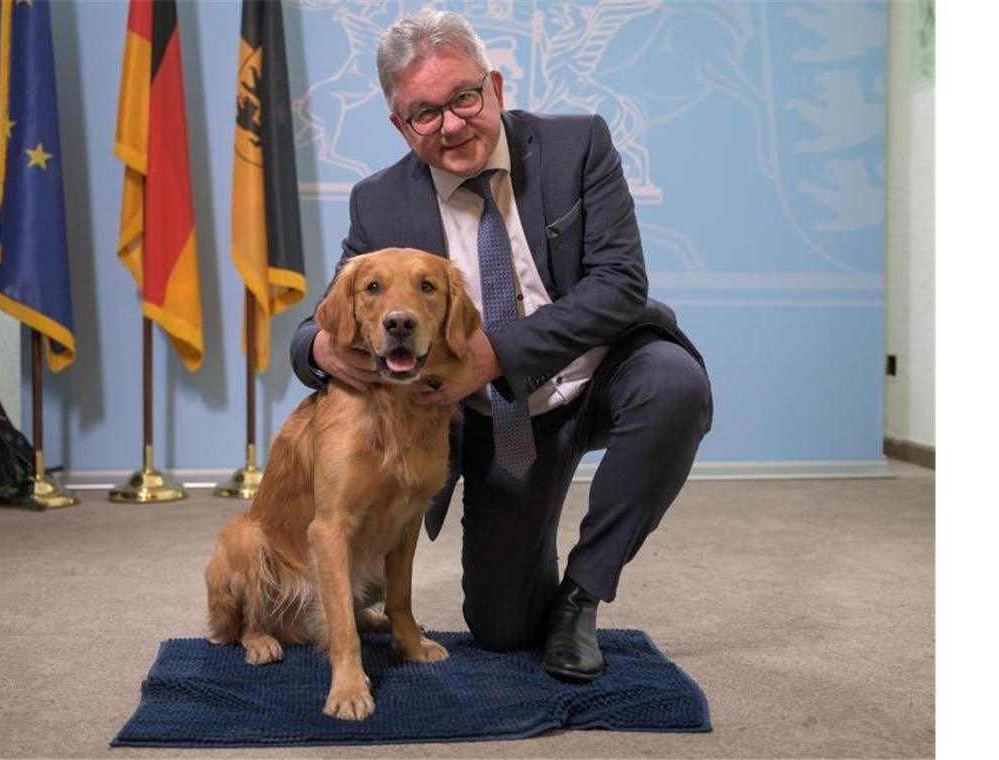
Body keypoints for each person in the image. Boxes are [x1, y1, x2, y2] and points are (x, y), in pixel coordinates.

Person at [290, 9, 712, 682]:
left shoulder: (578, 145)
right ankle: (530, 591)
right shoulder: (380, 202)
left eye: (463, 97)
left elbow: (620, 283)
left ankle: (583, 593)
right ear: (401, 125)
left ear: (495, 87)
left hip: (599, 372)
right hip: (497, 420)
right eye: (424, 113)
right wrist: (316, 349)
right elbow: (333, 310)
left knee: (674, 386)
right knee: (504, 630)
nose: (452, 124)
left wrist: (498, 353)